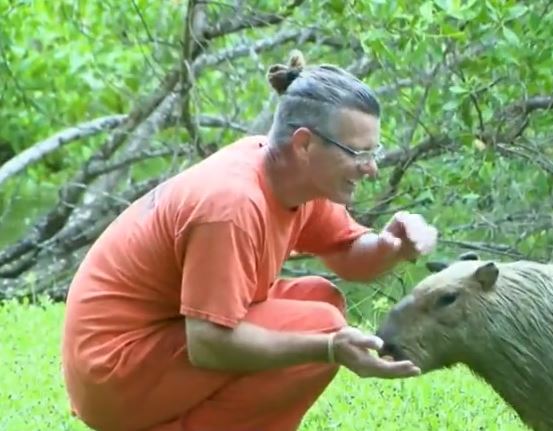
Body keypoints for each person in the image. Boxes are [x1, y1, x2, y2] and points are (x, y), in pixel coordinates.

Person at [60, 50, 437, 431]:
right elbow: (208, 344)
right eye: (358, 153)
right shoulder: (232, 206)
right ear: (304, 144)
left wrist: (394, 247)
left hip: (145, 353)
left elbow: (348, 255)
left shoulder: (291, 178)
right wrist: (328, 347)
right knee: (320, 324)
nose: (371, 168)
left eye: (374, 152)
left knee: (321, 300)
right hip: (112, 374)